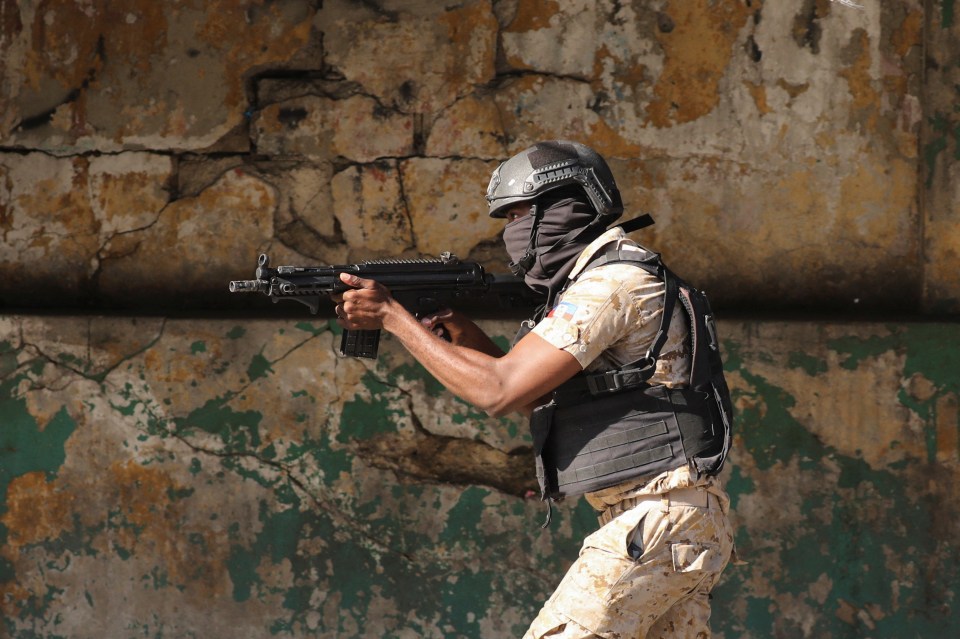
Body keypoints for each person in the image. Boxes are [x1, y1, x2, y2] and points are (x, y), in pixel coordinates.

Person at [333, 140, 735, 638]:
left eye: (518, 213)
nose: (511, 231)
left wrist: (392, 318)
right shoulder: (603, 279)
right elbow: (525, 391)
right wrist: (457, 332)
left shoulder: (612, 284)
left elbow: (497, 392)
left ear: (565, 204)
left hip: (657, 521)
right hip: (673, 524)